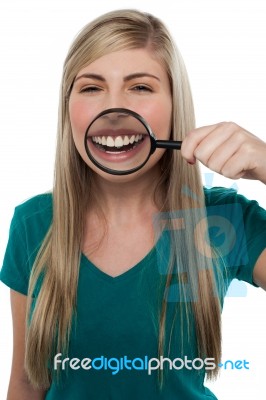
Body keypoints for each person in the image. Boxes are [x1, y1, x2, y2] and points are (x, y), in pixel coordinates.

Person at [1, 9, 266, 400]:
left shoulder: (223, 218)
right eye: (91, 88)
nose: (114, 111)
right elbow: (26, 382)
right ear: (68, 108)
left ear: (176, 105)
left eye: (140, 87)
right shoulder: (34, 223)